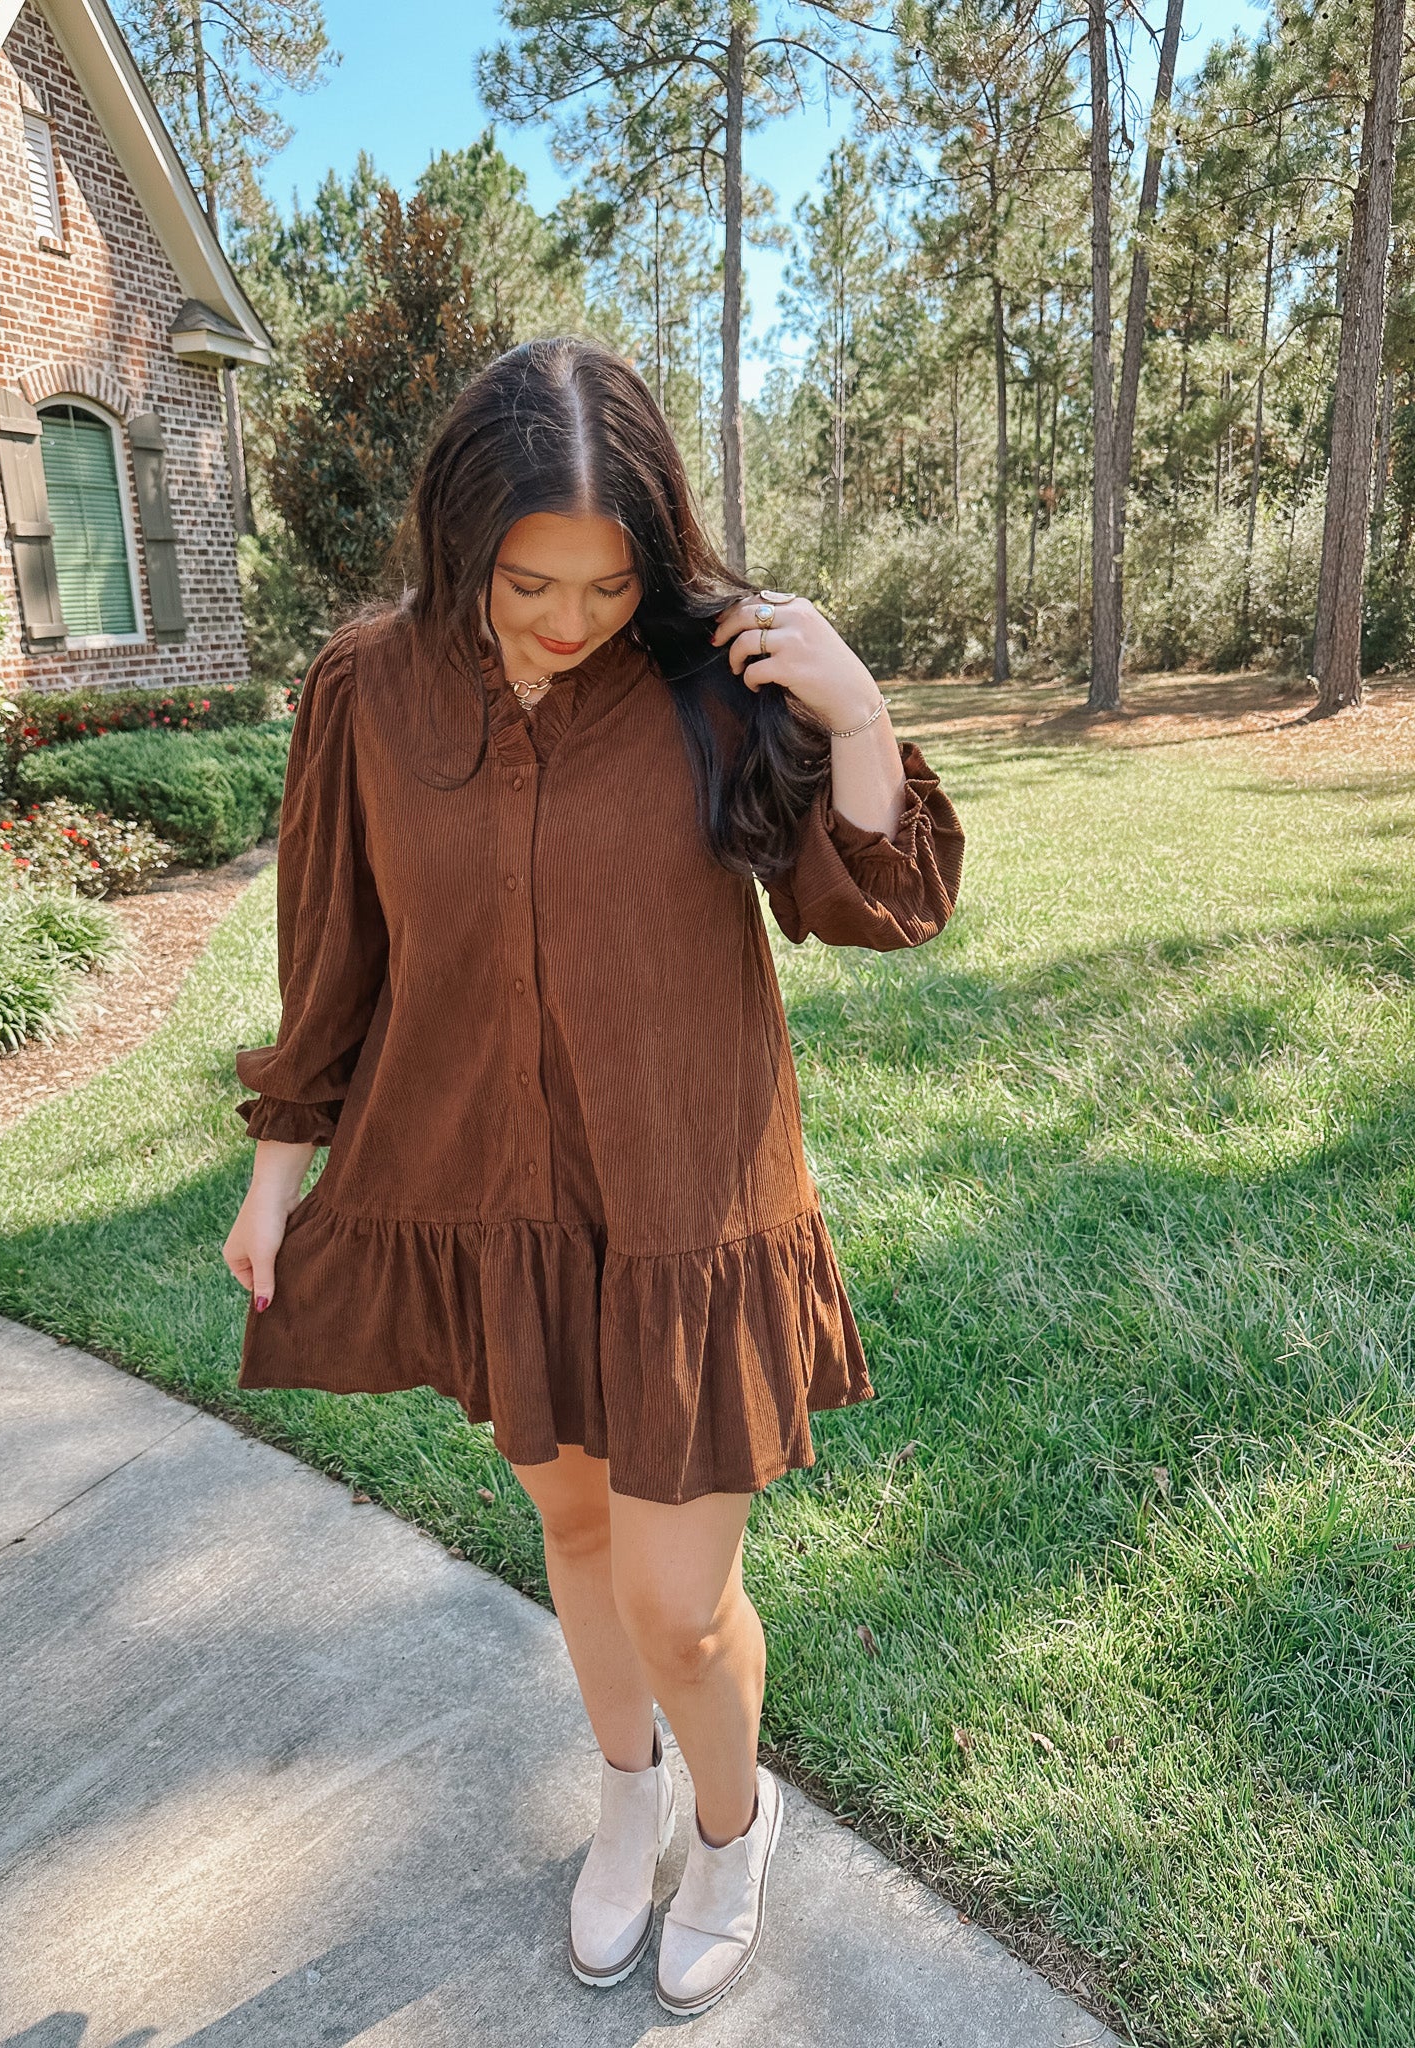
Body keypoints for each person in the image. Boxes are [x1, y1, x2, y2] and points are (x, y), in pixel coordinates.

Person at [223, 336, 963, 2017]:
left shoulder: (721, 678)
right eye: (529, 582)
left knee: (679, 1601)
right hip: (504, 1196)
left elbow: (878, 903)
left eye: (612, 584)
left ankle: (730, 1822)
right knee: (569, 1523)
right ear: (458, 544)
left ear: (662, 557)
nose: (569, 620)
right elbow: (335, 958)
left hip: (688, 1203)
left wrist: (855, 706)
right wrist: (279, 1173)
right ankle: (621, 1793)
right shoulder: (369, 687)